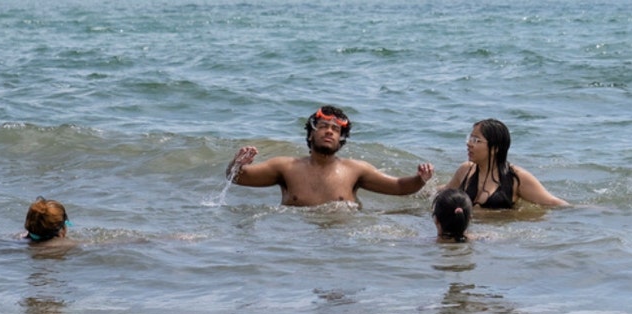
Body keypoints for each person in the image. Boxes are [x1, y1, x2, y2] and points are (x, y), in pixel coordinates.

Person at [225, 105, 435, 207]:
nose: (329, 132)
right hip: (295, 242)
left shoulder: (355, 170)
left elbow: (399, 186)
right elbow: (237, 177)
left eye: (335, 130)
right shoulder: (286, 167)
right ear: (310, 134)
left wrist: (420, 179)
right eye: (324, 126)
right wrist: (237, 163)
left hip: (342, 244)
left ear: (341, 139)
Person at [446, 119, 568, 209]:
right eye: (470, 138)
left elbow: (552, 202)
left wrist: (582, 214)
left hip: (499, 238)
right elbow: (443, 193)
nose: (469, 144)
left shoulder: (516, 177)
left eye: (476, 140)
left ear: (495, 148)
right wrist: (425, 182)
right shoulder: (466, 170)